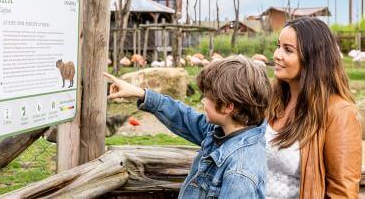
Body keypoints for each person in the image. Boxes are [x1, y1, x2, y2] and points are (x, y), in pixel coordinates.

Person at [104, 55, 271, 198]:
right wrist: (140, 93)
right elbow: (183, 117)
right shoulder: (222, 132)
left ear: (228, 106)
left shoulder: (239, 173)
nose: (203, 101)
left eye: (207, 97)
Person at [266, 17, 361, 198]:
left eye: (288, 50)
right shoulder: (271, 99)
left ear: (313, 58)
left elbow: (342, 193)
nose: (277, 55)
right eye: (278, 46)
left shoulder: (339, 113)